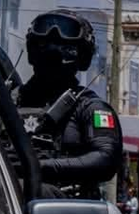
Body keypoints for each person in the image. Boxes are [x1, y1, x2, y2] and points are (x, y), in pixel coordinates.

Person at [16, 10, 122, 199]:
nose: (52, 50)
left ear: (83, 56)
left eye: (65, 46)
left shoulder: (91, 108)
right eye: (44, 43)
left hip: (65, 213)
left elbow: (106, 159)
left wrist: (38, 166)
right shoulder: (7, 101)